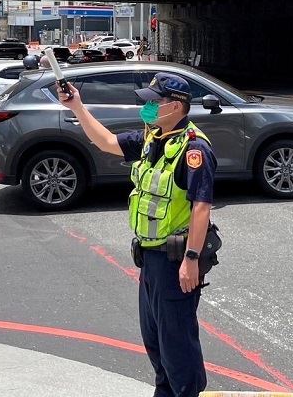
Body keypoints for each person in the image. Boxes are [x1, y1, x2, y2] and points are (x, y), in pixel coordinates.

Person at [58, 72, 216, 397]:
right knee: (155, 341)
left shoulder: (193, 149)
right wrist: (77, 107)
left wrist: (191, 259)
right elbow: (106, 142)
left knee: (177, 346)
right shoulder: (152, 139)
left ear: (175, 106)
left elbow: (201, 207)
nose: (146, 107)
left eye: (153, 102)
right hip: (150, 259)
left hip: (175, 262)